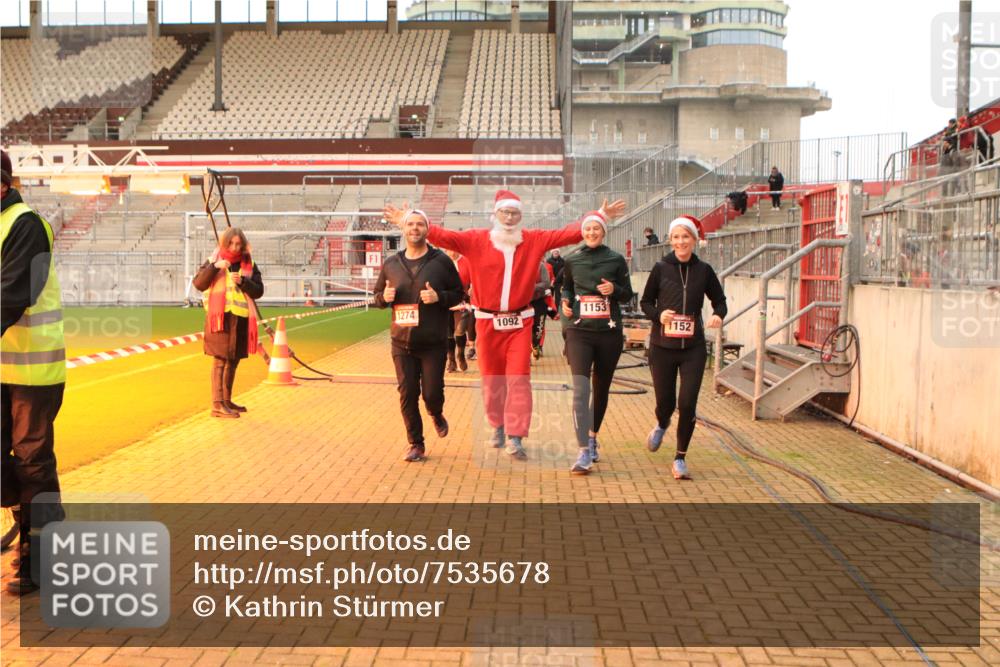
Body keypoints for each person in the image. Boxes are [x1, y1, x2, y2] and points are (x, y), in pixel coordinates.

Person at [384, 190, 626, 460]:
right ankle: (497, 425)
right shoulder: (476, 239)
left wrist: (600, 216)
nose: (510, 218)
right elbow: (443, 236)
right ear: (495, 215)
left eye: (514, 214)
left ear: (520, 217)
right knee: (492, 379)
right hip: (487, 323)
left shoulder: (533, 240)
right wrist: (407, 219)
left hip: (519, 323)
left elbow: (569, 233)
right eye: (505, 213)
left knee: (519, 379)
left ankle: (516, 435)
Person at [1, 149, 66, 594]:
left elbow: (10, 293)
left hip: (31, 371)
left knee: (32, 463)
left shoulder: (26, 224)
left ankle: (40, 556)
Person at [640, 214, 727, 480]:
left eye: (686, 237)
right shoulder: (660, 268)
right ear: (670, 240)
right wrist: (659, 315)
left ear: (694, 239)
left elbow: (720, 301)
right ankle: (662, 423)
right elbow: (645, 303)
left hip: (693, 348)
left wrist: (718, 315)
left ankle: (680, 458)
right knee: (665, 403)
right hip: (662, 346)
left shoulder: (704, 270)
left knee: (687, 403)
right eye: (676, 237)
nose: (681, 242)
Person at [373, 209, 464, 462]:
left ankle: (436, 412)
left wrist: (439, 298)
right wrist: (384, 298)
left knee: (432, 393)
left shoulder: (441, 261)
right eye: (410, 224)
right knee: (407, 393)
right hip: (401, 342)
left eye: (420, 224)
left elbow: (459, 294)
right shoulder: (391, 264)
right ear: (403, 229)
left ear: (427, 229)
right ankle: (416, 443)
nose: (415, 228)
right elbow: (377, 297)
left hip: (433, 342)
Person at [560, 212, 633, 475]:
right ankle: (582, 452)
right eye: (587, 229)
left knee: (600, 388)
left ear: (603, 232)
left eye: (596, 229)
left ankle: (592, 436)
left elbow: (628, 295)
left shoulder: (615, 259)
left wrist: (615, 290)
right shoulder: (571, 259)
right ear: (582, 232)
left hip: (608, 333)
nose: (591, 233)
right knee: (581, 390)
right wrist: (566, 303)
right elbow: (566, 288)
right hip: (580, 332)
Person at [192, 227, 264, 419]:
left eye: (238, 244)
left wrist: (243, 282)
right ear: (224, 244)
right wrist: (215, 267)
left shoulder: (249, 264)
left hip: (240, 319)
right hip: (220, 319)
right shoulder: (214, 260)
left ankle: (226, 400)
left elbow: (258, 291)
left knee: (233, 360)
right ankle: (217, 404)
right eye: (231, 243)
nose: (234, 247)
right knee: (220, 360)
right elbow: (199, 284)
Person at [444, 248, 472, 373]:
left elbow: (474, 279)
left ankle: (460, 355)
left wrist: (472, 289)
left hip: (462, 302)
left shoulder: (467, 261)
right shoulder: (442, 262)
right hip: (446, 302)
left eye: (454, 250)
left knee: (460, 330)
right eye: (449, 250)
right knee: (448, 333)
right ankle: (451, 360)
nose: (452, 252)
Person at [530, 260, 553, 359]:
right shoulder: (517, 264)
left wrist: (531, 287)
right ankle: (526, 354)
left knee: (538, 327)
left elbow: (546, 283)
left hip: (539, 301)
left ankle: (536, 346)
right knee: (524, 329)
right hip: (523, 303)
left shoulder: (540, 266)